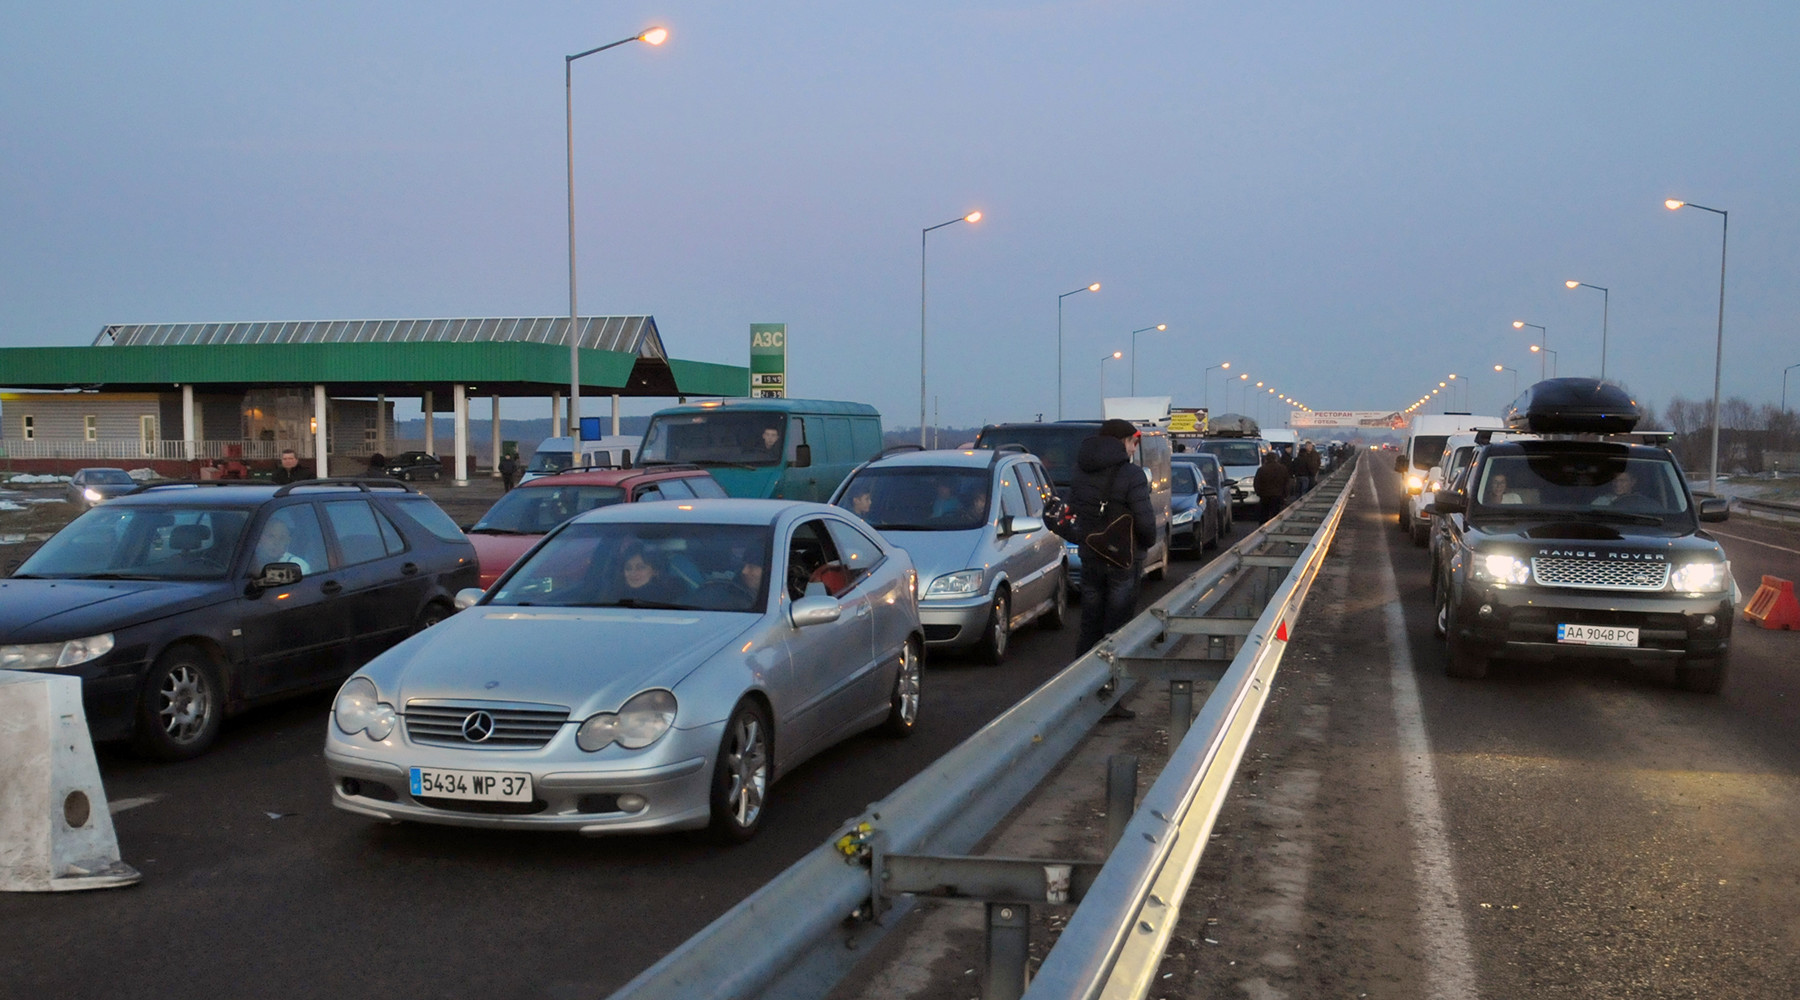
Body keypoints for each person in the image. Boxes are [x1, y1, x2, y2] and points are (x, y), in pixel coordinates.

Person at [1072, 419, 1157, 656]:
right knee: (1118, 627)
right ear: (1122, 442)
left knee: (1090, 624)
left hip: (1090, 555)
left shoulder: (1081, 470)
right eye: (1132, 443)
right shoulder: (1132, 474)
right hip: (1123, 559)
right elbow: (1145, 520)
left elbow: (1074, 510)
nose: (1133, 449)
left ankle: (1079, 681)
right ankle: (1110, 682)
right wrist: (1147, 543)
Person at [609, 544, 687, 605]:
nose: (633, 573)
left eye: (641, 567)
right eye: (628, 568)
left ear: (655, 571)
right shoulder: (612, 599)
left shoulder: (671, 597)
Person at [1253, 450, 1291, 522]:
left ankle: (1263, 528)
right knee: (1275, 514)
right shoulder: (1282, 469)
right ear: (1276, 459)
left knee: (1264, 514)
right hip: (1278, 495)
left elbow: (1256, 483)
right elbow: (1286, 483)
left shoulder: (1261, 469)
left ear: (1266, 459)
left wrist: (1258, 493)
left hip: (1264, 495)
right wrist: (1285, 494)